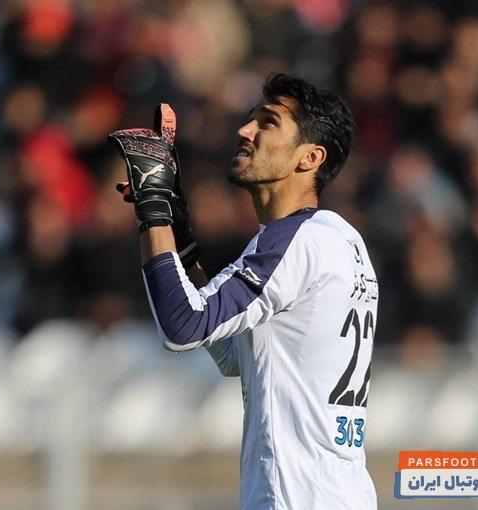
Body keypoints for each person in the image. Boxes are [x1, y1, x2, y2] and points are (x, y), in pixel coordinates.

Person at [109, 74, 377, 510]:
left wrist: (153, 208)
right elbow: (234, 354)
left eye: (267, 122)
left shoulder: (295, 240)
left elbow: (183, 327)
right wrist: (176, 232)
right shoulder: (339, 238)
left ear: (310, 157)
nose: (245, 130)